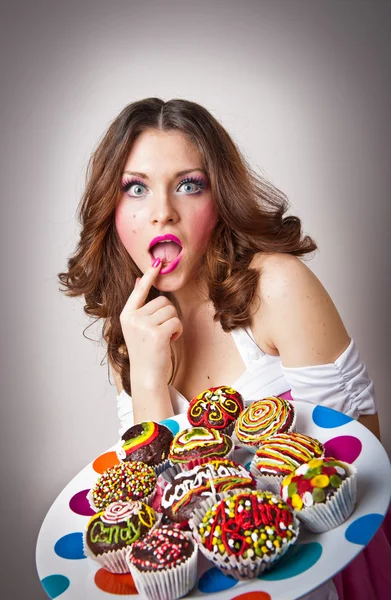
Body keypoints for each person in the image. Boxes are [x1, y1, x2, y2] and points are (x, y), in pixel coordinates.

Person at [59, 98, 388, 599]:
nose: (163, 212)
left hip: (333, 574)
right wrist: (148, 378)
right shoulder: (135, 327)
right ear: (113, 208)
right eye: (136, 188)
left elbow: (361, 461)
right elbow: (158, 519)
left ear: (219, 200)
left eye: (189, 185)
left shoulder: (276, 286)